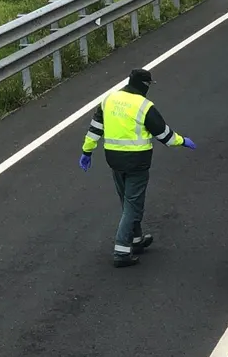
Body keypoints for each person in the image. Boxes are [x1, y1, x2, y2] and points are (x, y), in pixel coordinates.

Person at [78, 69, 196, 267]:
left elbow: (95, 128)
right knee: (133, 206)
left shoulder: (109, 100)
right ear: (145, 85)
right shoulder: (144, 106)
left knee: (127, 201)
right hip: (137, 162)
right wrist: (183, 141)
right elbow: (165, 135)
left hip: (114, 159)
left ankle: (136, 239)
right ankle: (121, 251)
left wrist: (87, 151)